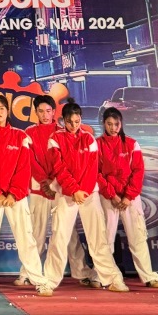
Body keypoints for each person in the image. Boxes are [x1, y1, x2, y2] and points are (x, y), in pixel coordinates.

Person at [0, 96, 53, 297]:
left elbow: (24, 168)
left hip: (17, 197)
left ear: (8, 111)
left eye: (2, 108)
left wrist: (14, 193)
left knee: (27, 240)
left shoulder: (20, 136)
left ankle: (39, 281)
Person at [43, 100, 128, 292]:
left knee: (98, 238)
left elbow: (92, 169)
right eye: (70, 122)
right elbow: (59, 168)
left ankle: (112, 279)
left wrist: (83, 191)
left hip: (89, 194)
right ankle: (48, 282)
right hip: (67, 194)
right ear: (63, 120)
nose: (74, 125)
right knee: (59, 237)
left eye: (77, 121)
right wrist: (74, 190)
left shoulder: (89, 139)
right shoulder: (55, 139)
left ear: (81, 119)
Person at [14, 95, 97, 287]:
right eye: (41, 111)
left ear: (54, 112)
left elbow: (64, 163)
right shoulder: (29, 133)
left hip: (61, 189)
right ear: (35, 112)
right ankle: (28, 272)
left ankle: (81, 271)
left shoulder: (62, 132)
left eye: (48, 111)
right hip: (39, 189)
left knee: (68, 233)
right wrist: (45, 182)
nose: (45, 115)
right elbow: (30, 160)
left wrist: (54, 183)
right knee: (37, 232)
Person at [97, 107, 158, 288]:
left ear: (121, 124)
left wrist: (128, 197)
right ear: (104, 124)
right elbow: (96, 173)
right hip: (108, 197)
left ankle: (148, 276)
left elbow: (138, 171)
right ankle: (102, 276)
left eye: (116, 124)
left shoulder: (132, 144)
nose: (113, 128)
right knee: (105, 238)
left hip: (130, 198)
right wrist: (111, 194)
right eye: (109, 124)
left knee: (137, 237)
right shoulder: (97, 145)